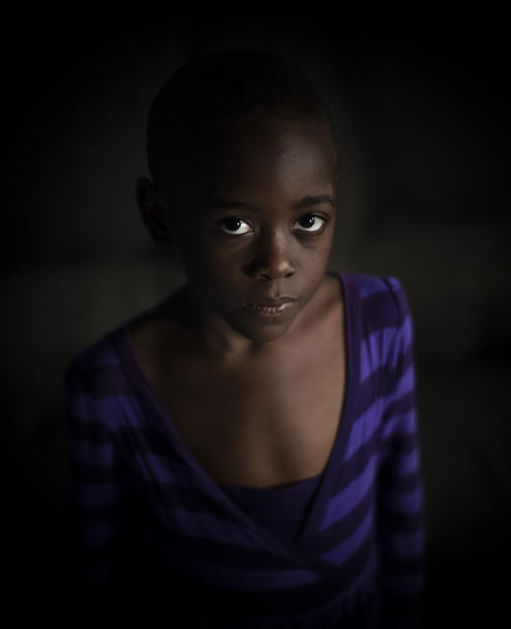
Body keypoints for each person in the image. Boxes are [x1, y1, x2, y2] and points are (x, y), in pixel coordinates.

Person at [63, 49, 425, 627]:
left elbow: (402, 521)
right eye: (235, 224)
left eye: (308, 221)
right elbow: (103, 585)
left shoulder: (382, 318)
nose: (277, 263)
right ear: (160, 216)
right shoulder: (108, 388)